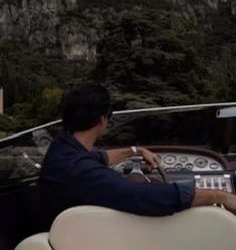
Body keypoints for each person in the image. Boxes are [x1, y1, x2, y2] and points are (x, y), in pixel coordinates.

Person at [39, 84, 236, 229]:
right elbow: (140, 195)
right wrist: (216, 195)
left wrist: (136, 151)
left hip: (80, 235)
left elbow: (100, 158)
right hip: (87, 244)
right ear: (102, 119)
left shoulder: (63, 150)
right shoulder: (79, 169)